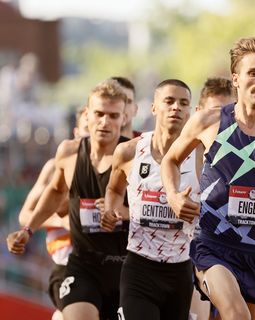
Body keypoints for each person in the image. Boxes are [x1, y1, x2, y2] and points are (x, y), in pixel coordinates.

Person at [161, 37, 255, 320]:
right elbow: (170, 160)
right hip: (214, 245)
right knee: (236, 315)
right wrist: (172, 194)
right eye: (253, 73)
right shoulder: (209, 121)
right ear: (236, 79)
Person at [7, 79, 130, 320]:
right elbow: (53, 192)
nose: (105, 122)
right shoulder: (68, 153)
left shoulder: (136, 154)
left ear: (124, 119)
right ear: (87, 114)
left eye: (113, 116)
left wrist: (121, 212)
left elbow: (154, 207)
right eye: (99, 114)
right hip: (82, 265)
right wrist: (28, 230)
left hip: (126, 268)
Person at [100, 79, 198, 320]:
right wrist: (112, 211)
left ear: (191, 111)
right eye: (169, 101)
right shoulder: (129, 152)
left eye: (183, 103)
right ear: (154, 107)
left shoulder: (201, 153)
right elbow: (113, 190)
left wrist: (196, 209)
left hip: (181, 269)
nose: (176, 107)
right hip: (140, 268)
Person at [16, 106, 89, 320]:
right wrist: (64, 221)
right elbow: (25, 216)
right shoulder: (54, 166)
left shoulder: (114, 163)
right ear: (76, 132)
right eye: (87, 128)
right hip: (66, 261)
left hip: (105, 261)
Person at [188, 77, 236, 320]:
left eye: (230, 111)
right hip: (180, 257)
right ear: (199, 113)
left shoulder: (241, 161)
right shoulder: (180, 155)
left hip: (228, 253)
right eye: (218, 111)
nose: (223, 120)